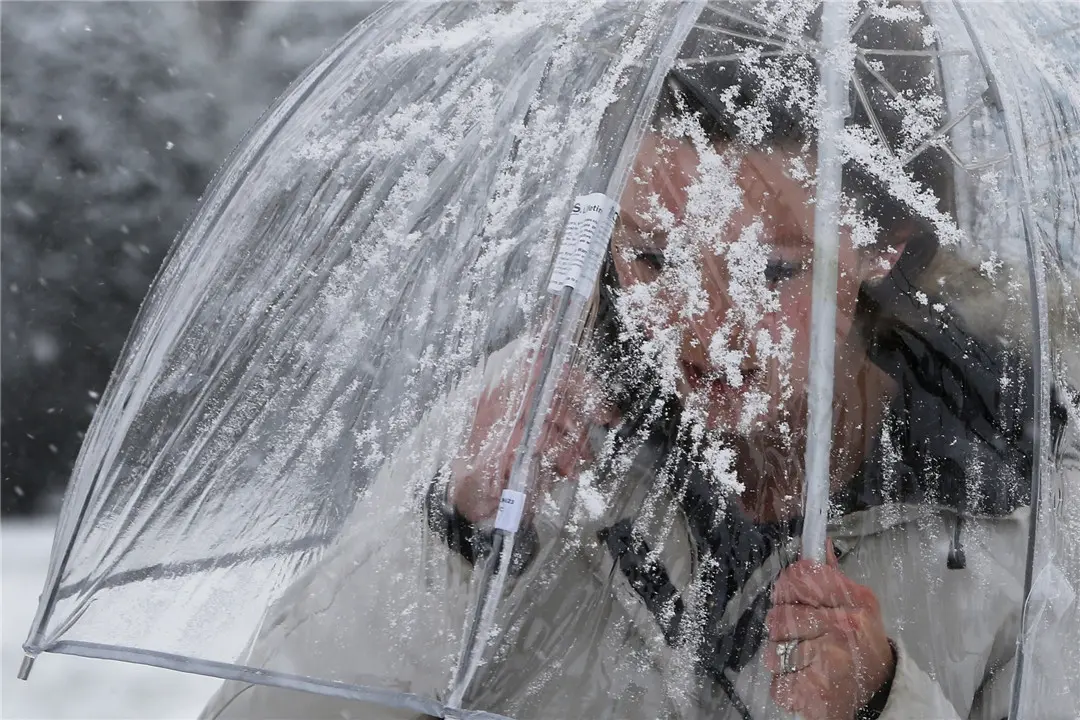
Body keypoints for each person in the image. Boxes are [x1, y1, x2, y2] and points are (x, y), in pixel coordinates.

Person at [201, 5, 1079, 719]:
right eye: (654, 257)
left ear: (884, 244)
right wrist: (458, 541)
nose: (705, 326)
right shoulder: (523, 422)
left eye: (770, 268)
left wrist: (886, 704)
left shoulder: (1030, 507)